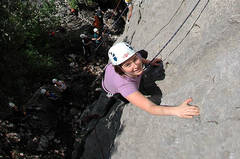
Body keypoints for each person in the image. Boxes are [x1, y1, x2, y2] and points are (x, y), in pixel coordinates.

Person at [88, 42, 200, 122]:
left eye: (135, 59)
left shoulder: (135, 56)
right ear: (120, 69)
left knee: (143, 52)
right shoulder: (124, 85)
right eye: (128, 65)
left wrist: (149, 62)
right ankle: (97, 114)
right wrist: (176, 110)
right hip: (109, 88)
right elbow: (151, 108)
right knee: (120, 100)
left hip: (110, 73)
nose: (135, 65)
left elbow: (139, 57)